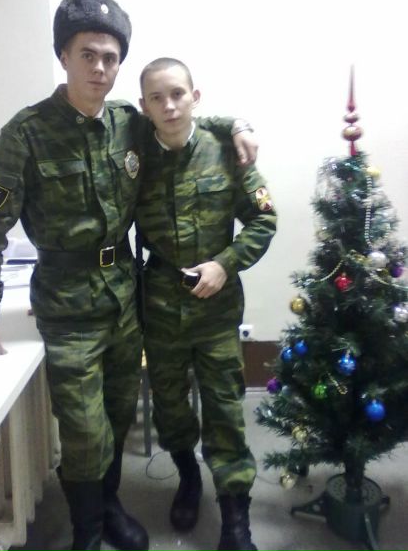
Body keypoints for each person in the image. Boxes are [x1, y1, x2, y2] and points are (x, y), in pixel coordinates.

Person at [0, 0, 258, 551]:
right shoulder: (25, 134)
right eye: (87, 55)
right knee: (82, 426)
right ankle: (88, 533)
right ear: (63, 57)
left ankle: (110, 504)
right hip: (67, 302)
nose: (100, 68)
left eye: (111, 57)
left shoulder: (127, 123)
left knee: (118, 415)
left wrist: (237, 123)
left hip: (124, 295)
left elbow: (180, 119)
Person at [136, 57, 277, 551]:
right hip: (160, 307)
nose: (170, 106)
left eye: (178, 94)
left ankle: (235, 517)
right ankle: (188, 478)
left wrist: (225, 263)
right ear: (144, 106)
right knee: (171, 407)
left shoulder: (226, 151)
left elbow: (264, 219)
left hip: (216, 308)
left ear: (195, 97)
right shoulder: (135, 157)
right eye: (157, 98)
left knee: (224, 409)